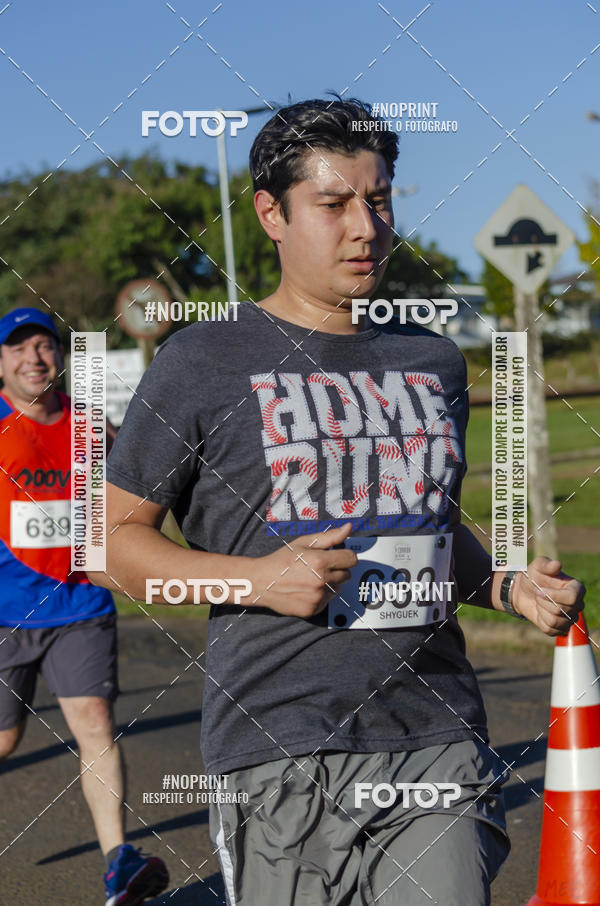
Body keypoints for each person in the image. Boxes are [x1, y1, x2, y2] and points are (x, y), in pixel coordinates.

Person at [95, 99, 585, 906]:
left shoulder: (433, 361)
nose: (367, 227)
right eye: (334, 204)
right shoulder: (201, 361)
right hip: (276, 743)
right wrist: (253, 581)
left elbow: (429, 525)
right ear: (271, 215)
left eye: (380, 198)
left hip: (435, 732)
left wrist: (503, 586)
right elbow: (112, 542)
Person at [0, 307, 168, 906]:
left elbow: (129, 504)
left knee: (95, 726)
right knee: (5, 741)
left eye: (44, 346)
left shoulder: (91, 427)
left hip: (80, 604)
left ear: (59, 357)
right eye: (18, 348)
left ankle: (118, 862)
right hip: (4, 613)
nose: (33, 358)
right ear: (1, 362)